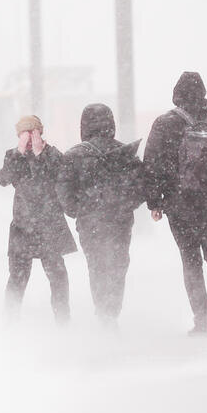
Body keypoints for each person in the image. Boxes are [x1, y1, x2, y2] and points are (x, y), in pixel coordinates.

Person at [144, 72, 207, 336]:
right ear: (203, 94)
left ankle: (201, 318)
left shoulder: (165, 123)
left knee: (191, 261)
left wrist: (155, 201)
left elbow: (152, 163)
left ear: (176, 94)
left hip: (180, 205)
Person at [56, 104, 146, 328]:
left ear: (84, 126)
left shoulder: (73, 156)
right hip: (120, 223)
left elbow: (64, 191)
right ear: (111, 123)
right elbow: (142, 188)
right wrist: (125, 206)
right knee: (118, 266)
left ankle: (103, 311)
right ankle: (112, 311)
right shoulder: (127, 153)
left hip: (90, 223)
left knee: (97, 266)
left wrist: (77, 210)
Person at [0, 115, 76, 323]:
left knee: (58, 276)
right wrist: (19, 152)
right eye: (25, 134)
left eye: (33, 132)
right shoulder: (14, 156)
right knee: (17, 278)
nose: (30, 138)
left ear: (41, 132)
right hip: (22, 228)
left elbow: (55, 178)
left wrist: (40, 155)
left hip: (50, 226)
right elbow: (3, 179)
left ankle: (63, 320)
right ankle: (10, 320)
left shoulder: (53, 155)